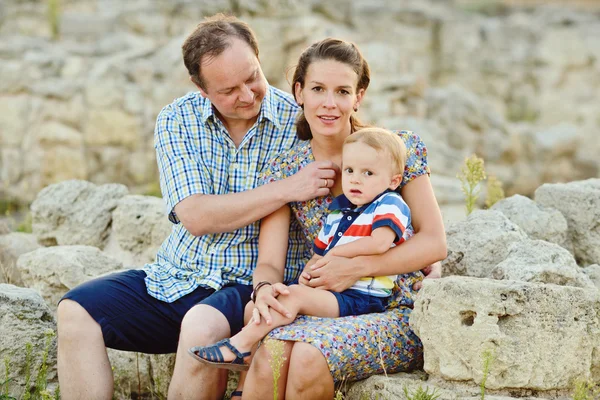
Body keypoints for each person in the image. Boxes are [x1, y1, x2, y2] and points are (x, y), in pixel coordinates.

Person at [55, 14, 340, 400]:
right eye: (228, 89)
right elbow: (196, 216)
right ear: (200, 87)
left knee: (200, 329)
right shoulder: (177, 118)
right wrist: (287, 189)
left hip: (251, 284)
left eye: (252, 77)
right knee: (75, 312)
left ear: (258, 56)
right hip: (177, 276)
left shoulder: (301, 118)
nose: (247, 94)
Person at [233, 38, 447, 399]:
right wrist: (265, 290)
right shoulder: (287, 168)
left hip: (395, 307)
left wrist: (355, 266)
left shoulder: (397, 149)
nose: (329, 103)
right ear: (299, 92)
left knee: (306, 356)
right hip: (326, 304)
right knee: (271, 347)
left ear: (358, 96)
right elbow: (269, 262)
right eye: (318, 89)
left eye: (342, 91)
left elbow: (434, 242)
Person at [188, 127, 424, 372]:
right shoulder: (339, 210)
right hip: (336, 292)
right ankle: (247, 370)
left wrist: (336, 255)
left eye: (368, 173)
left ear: (393, 180)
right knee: (283, 294)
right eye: (350, 170)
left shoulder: (390, 203)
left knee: (294, 297)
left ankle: (240, 345)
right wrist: (308, 273)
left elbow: (379, 243)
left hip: (365, 297)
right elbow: (319, 253)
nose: (355, 179)